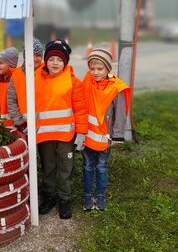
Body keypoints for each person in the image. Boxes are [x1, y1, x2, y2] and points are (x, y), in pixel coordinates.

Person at [35, 39, 88, 219]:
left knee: (65, 168)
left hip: (66, 135)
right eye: (51, 59)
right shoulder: (36, 79)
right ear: (45, 61)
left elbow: (80, 109)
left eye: (59, 59)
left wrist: (81, 132)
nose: (55, 63)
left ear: (65, 62)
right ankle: (50, 196)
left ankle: (64, 198)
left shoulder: (73, 82)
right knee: (48, 167)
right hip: (44, 134)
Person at [79, 48, 130, 211]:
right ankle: (88, 195)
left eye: (99, 69)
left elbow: (121, 114)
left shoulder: (116, 87)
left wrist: (117, 136)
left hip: (104, 138)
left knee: (101, 167)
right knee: (87, 166)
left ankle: (100, 195)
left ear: (108, 69)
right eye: (92, 68)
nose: (95, 72)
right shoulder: (87, 81)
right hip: (87, 135)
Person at [7, 38, 44, 133]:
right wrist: (20, 122)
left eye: (38, 55)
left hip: (45, 127)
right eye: (31, 55)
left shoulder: (46, 71)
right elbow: (11, 100)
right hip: (24, 126)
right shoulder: (16, 76)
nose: (35, 59)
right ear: (25, 56)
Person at [0, 47, 19, 127]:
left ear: (11, 65)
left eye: (1, 63)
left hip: (15, 124)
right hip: (2, 124)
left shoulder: (17, 79)